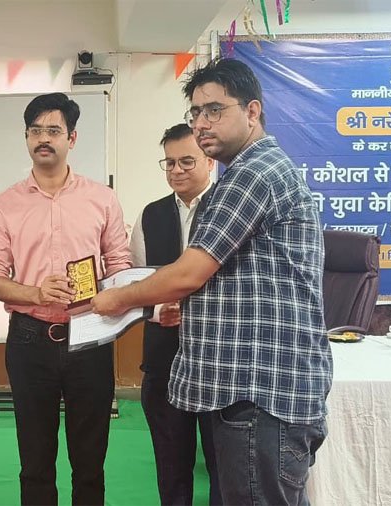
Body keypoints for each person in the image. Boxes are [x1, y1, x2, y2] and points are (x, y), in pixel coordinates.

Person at [92, 57, 332, 505]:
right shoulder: (249, 172)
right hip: (256, 395)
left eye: (215, 110)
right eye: (196, 112)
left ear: (252, 111)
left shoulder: (252, 174)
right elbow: (231, 282)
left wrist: (117, 298)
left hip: (259, 395)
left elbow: (189, 272)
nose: (201, 123)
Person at [0, 92, 131, 505]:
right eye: (35, 131)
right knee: (35, 461)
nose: (43, 139)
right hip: (29, 339)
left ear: (72, 138)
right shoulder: (5, 204)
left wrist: (110, 296)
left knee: (90, 461)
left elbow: (120, 263)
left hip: (90, 335)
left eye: (53, 130)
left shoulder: (101, 198)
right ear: (26, 137)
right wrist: (35, 292)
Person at [130, 123, 221, 506]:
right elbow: (136, 280)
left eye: (187, 161)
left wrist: (193, 309)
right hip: (164, 358)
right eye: (169, 163)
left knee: (223, 469)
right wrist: (155, 310)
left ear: (209, 161)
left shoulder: (229, 208)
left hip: (219, 362)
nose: (177, 170)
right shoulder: (149, 215)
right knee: (171, 469)